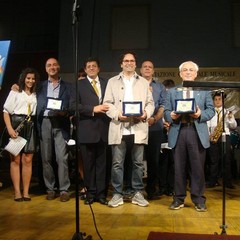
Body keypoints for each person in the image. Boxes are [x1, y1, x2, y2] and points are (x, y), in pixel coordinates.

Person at [103, 51, 154, 207]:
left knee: (138, 163)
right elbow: (107, 103)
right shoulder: (112, 81)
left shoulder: (144, 82)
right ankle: (117, 194)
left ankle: (138, 193)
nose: (129, 63)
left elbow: (150, 103)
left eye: (132, 60)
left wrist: (146, 113)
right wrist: (117, 114)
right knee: (117, 163)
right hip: (120, 127)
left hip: (138, 127)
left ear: (135, 64)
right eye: (126, 60)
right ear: (121, 64)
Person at [164, 61, 215, 212]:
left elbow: (211, 111)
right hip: (178, 131)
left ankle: (199, 199)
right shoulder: (172, 92)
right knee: (178, 168)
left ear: (196, 73)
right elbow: (166, 110)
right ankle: (178, 199)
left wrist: (200, 114)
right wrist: (171, 115)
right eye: (184, 70)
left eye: (190, 70)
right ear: (180, 73)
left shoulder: (204, 91)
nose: (187, 72)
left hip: (196, 131)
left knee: (197, 168)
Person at [72, 57, 110, 205]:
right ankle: (90, 193)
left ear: (99, 68)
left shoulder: (107, 83)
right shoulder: (78, 84)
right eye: (89, 66)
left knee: (102, 165)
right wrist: (93, 109)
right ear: (85, 69)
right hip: (87, 130)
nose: (92, 68)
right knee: (88, 165)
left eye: (94, 66)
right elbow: (73, 105)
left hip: (104, 130)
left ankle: (101, 195)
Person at [37, 58, 73, 202]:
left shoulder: (69, 86)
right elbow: (25, 90)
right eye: (49, 65)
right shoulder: (39, 86)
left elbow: (71, 106)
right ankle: (50, 189)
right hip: (44, 122)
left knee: (62, 158)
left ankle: (64, 190)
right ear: (46, 69)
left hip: (61, 122)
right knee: (46, 158)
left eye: (54, 65)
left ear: (59, 67)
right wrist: (16, 87)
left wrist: (63, 112)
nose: (52, 67)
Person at [3, 67, 39, 201]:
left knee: (28, 160)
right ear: (24, 78)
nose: (30, 81)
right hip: (16, 125)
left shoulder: (36, 94)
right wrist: (10, 129)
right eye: (28, 78)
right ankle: (17, 192)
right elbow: (6, 111)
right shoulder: (15, 92)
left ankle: (26, 192)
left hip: (30, 126)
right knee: (15, 159)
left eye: (33, 78)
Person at [140, 60, 166, 199]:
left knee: (153, 160)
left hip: (155, 127)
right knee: (136, 159)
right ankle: (136, 189)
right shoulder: (135, 84)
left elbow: (163, 106)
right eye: (145, 67)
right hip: (137, 126)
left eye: (150, 67)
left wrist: (155, 119)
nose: (147, 69)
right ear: (141, 70)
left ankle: (151, 189)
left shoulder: (160, 87)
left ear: (153, 70)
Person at [206, 91, 237, 188]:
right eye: (215, 99)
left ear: (223, 100)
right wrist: (208, 135)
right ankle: (212, 181)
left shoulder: (228, 112)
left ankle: (227, 182)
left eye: (220, 99)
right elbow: (207, 125)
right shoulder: (210, 112)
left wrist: (231, 118)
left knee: (226, 160)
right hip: (213, 137)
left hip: (224, 136)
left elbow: (234, 126)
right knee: (213, 161)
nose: (218, 101)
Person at [159, 79, 176, 197]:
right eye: (166, 91)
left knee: (173, 163)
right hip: (161, 135)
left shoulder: (177, 103)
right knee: (162, 162)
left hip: (173, 133)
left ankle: (171, 187)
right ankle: (161, 186)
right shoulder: (160, 103)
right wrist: (162, 123)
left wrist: (171, 124)